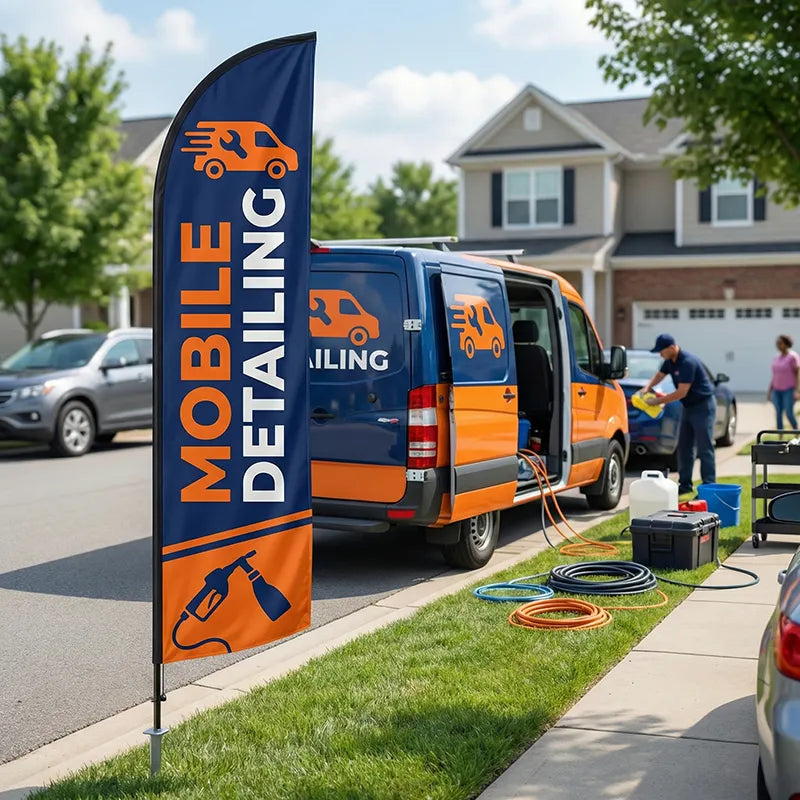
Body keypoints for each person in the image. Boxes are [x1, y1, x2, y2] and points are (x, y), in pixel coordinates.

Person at [640, 333, 716, 496]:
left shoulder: (687, 362)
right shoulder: (669, 361)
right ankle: (685, 485)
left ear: (672, 347)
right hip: (688, 407)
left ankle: (708, 486)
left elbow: (682, 392)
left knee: (704, 447)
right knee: (684, 447)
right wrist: (646, 389)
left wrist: (658, 402)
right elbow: (659, 376)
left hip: (703, 407)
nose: (660, 354)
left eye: (661, 351)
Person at [767, 334, 800, 434]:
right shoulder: (776, 358)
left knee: (789, 413)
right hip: (777, 390)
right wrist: (770, 391)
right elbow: (775, 375)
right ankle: (780, 435)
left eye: (780, 343)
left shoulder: (793, 357)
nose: (778, 345)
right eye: (777, 343)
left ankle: (796, 431)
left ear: (786, 344)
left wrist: (797, 390)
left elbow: (798, 374)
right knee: (778, 413)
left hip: (789, 390)